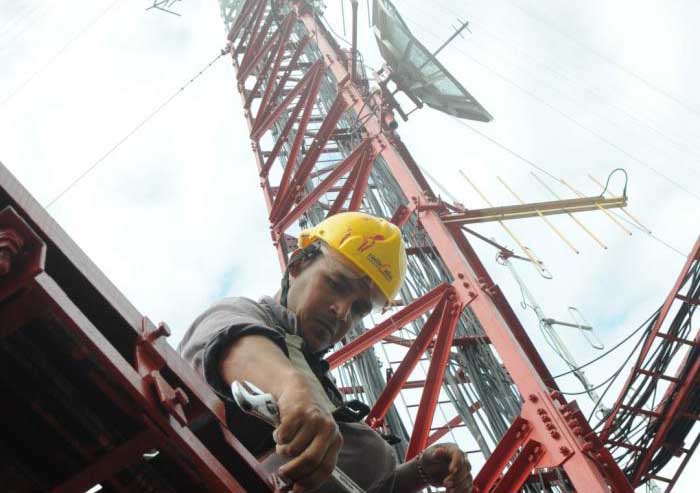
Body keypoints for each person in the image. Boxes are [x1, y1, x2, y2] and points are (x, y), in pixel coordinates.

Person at [178, 212, 473, 492]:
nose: (342, 311)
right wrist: (292, 391)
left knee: (373, 452)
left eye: (359, 309)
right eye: (335, 284)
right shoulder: (241, 315)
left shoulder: (325, 396)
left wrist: (418, 472)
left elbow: (353, 480)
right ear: (296, 265)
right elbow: (238, 346)